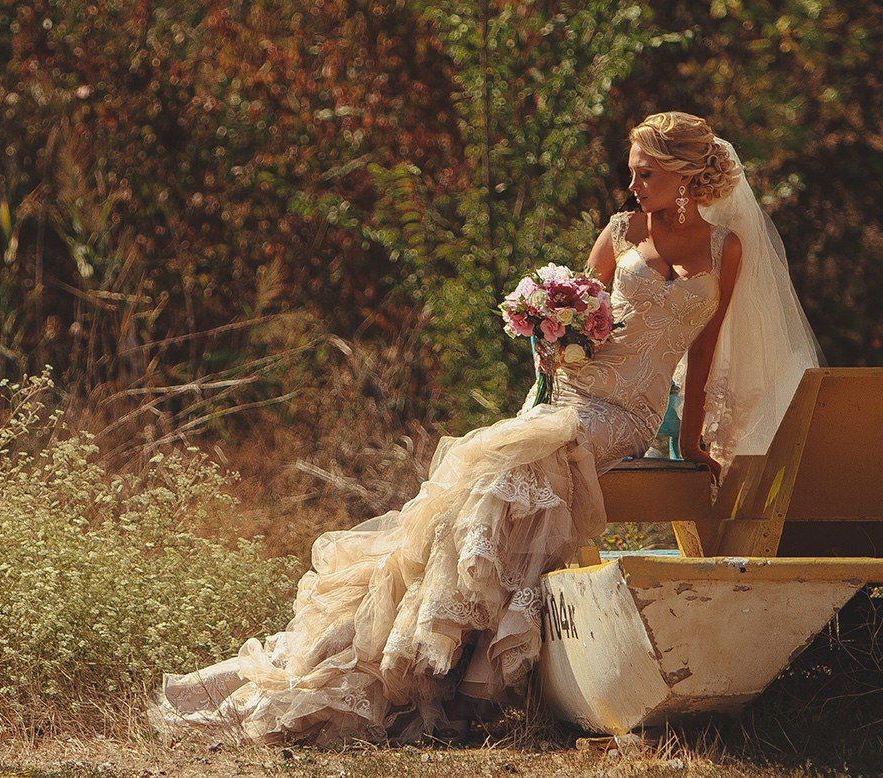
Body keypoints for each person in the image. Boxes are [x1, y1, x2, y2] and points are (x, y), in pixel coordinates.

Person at [149, 112, 823, 746]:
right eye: (632, 172)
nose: (634, 185)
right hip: (575, 394)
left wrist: (695, 439)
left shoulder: (726, 248)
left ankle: (472, 662)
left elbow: (703, 355)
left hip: (629, 415)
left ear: (686, 175)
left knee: (517, 467)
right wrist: (550, 339)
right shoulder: (620, 232)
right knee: (491, 479)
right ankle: (413, 655)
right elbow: (574, 323)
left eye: (646, 173)